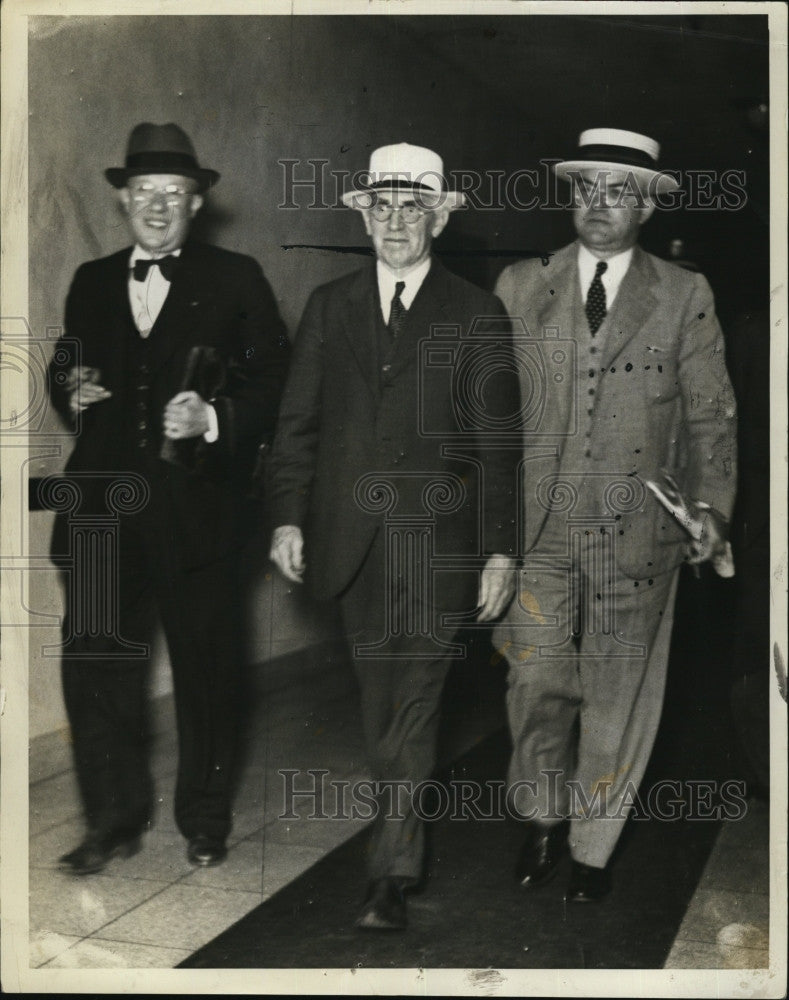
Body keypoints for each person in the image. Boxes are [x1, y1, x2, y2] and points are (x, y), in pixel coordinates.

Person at [267, 143, 520, 931]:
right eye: (382, 207)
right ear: (364, 216)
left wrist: (501, 547)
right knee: (382, 709)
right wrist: (285, 513)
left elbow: (497, 442)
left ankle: (390, 874)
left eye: (413, 207)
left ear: (438, 218)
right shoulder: (328, 305)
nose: (395, 222)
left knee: (413, 706)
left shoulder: (476, 313)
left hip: (438, 549)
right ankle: (395, 840)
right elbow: (297, 425)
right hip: (352, 547)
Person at [493, 128, 737, 902]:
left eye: (618, 190)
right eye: (586, 187)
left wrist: (710, 510)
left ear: (644, 206)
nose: (598, 204)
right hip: (536, 528)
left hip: (638, 529)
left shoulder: (682, 294)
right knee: (535, 679)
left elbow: (711, 415)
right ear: (570, 196)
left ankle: (593, 849)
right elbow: (480, 416)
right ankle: (541, 815)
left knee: (618, 688)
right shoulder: (519, 285)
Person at [47, 122, 289, 874]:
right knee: (94, 666)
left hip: (199, 514)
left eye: (173, 193)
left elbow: (274, 382)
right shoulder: (91, 280)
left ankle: (204, 818)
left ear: (196, 202)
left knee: (208, 668)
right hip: (97, 511)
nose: (157, 205)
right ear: (122, 200)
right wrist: (69, 386)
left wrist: (215, 419)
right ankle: (110, 821)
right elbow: (67, 364)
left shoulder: (237, 276)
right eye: (144, 192)